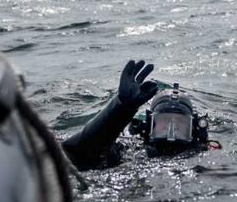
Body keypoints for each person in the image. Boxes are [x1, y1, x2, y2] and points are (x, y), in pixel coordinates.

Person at [61, 60, 215, 169]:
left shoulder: (204, 159)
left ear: (194, 129)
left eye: (180, 125)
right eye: (164, 123)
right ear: (148, 127)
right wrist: (121, 108)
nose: (171, 131)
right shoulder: (130, 152)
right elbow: (78, 153)